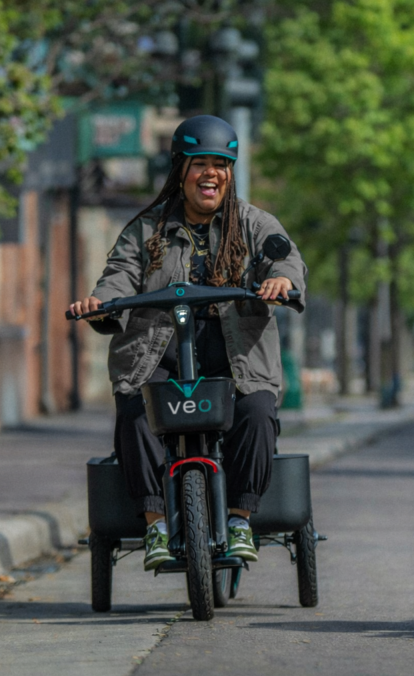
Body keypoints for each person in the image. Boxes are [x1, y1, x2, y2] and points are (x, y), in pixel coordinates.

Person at [69, 115, 307, 571]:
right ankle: (156, 522)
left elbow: (287, 260)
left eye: (221, 164)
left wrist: (279, 280)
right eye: (200, 164)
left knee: (257, 412)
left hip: (236, 356)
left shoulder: (255, 224)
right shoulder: (146, 229)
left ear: (230, 173)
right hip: (159, 353)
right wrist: (101, 301)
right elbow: (119, 275)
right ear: (181, 168)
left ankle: (240, 518)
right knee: (135, 412)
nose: (210, 173)